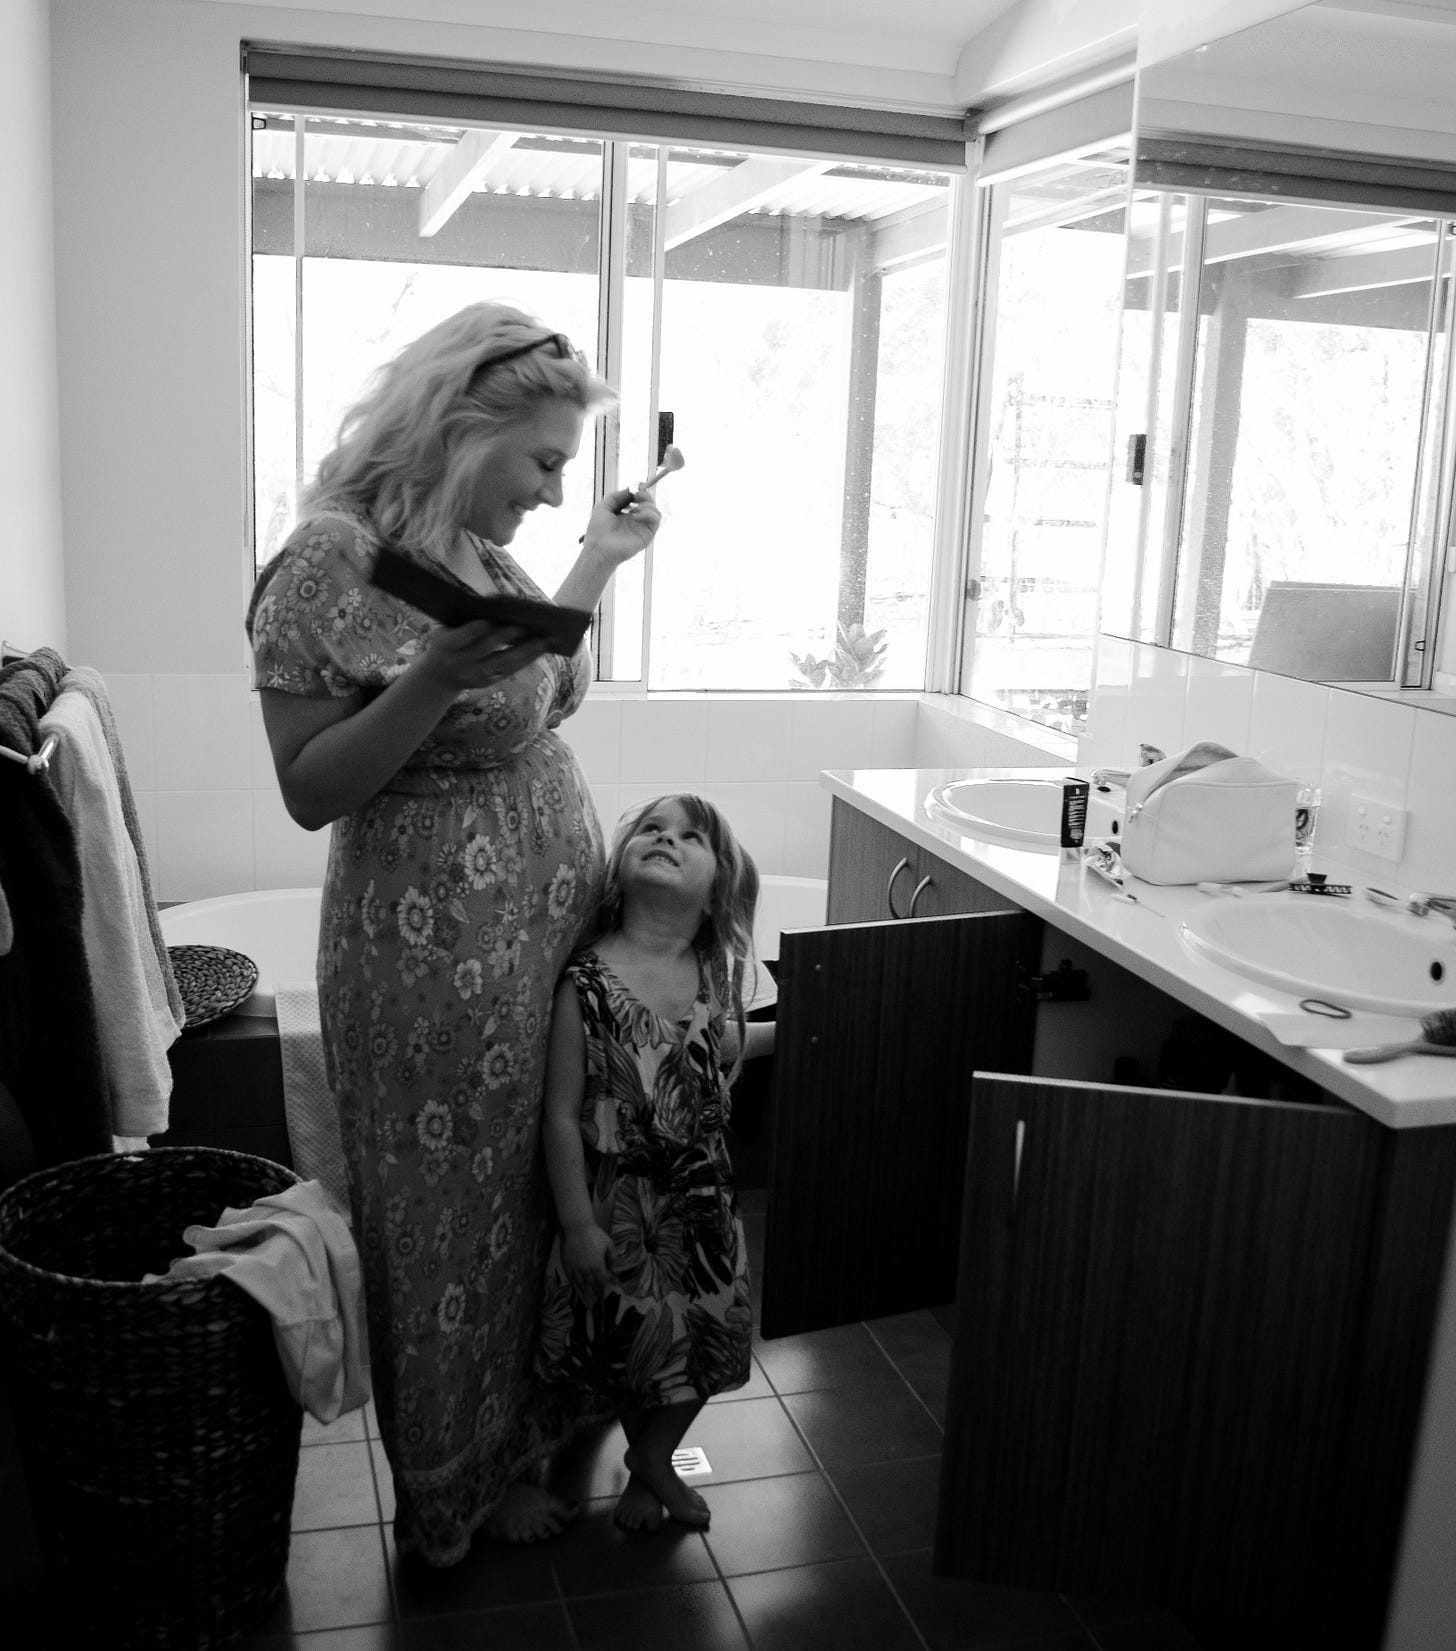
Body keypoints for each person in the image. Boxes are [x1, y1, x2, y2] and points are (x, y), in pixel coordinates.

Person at [246, 301, 661, 1566]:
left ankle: (525, 1440)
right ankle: (452, 1493)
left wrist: (593, 557)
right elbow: (311, 788)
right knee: (443, 1220)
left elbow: (536, 687)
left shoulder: (482, 553)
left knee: (531, 1200)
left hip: (534, 936)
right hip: (429, 954)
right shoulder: (334, 557)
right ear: (455, 426)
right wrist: (431, 680)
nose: (549, 490)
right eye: (540, 462)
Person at [536, 794, 775, 1532]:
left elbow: (714, 1053)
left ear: (716, 893)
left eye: (691, 836)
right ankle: (649, 1461)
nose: (666, 838)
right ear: (621, 863)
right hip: (619, 1208)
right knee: (631, 1350)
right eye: (652, 829)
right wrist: (577, 1222)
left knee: (709, 1341)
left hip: (704, 1205)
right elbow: (559, 1114)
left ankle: (653, 1457)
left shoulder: (717, 969)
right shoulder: (585, 982)